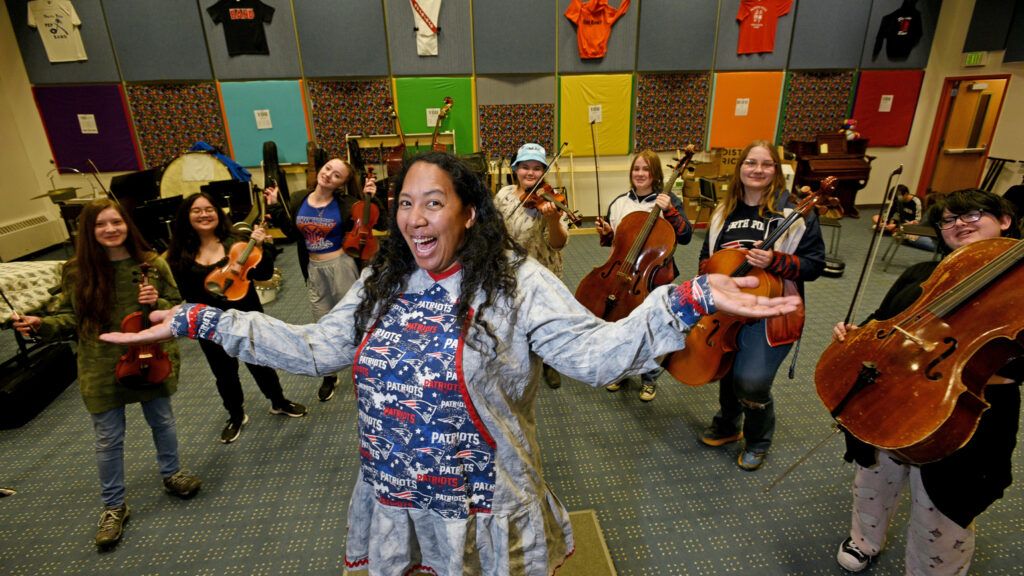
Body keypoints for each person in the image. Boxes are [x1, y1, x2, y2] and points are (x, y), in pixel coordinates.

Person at [101, 152, 800, 576]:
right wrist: (201, 317)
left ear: (468, 212)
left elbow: (595, 353)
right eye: (405, 203)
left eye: (433, 202)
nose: (415, 218)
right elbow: (316, 349)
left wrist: (688, 296)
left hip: (484, 502)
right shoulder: (382, 280)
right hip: (397, 496)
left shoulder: (519, 281)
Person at [831, 189, 1021, 575]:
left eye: (972, 215)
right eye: (948, 221)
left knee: (942, 506)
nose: (958, 225)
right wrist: (858, 334)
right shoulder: (923, 274)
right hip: (891, 388)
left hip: (968, 405)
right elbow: (882, 318)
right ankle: (865, 539)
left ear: (1004, 220)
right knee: (874, 475)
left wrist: (975, 366)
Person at [12, 198, 201, 550]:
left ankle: (172, 473)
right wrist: (41, 325)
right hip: (99, 361)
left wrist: (156, 302)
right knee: (107, 438)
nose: (111, 229)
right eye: (101, 225)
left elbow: (178, 307)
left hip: (150, 355)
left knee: (163, 421)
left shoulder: (152, 263)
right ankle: (114, 506)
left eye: (117, 222)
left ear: (127, 224)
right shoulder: (76, 270)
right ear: (89, 231)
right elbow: (69, 318)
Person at [698, 140, 825, 471]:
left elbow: (814, 265)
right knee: (725, 364)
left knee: (752, 380)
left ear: (776, 171)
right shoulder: (722, 213)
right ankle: (728, 424)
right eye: (750, 163)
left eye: (766, 164)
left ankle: (758, 438)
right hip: (727, 308)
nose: (757, 170)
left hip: (773, 311)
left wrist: (776, 261)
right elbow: (706, 259)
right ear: (740, 168)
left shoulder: (794, 215)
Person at [166, 192, 307, 444]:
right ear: (187, 217)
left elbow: (263, 274)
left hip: (247, 316)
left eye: (209, 208)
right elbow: (187, 294)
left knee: (260, 362)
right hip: (211, 324)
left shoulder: (238, 242)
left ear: (218, 213)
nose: (204, 214)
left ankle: (278, 401)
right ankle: (235, 414)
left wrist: (262, 246)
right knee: (224, 372)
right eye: (196, 210)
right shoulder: (180, 254)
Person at [265, 158, 383, 402]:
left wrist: (373, 196)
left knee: (355, 319)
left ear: (341, 183)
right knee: (322, 323)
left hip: (341, 266)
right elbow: (290, 232)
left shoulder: (346, 204)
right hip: (313, 267)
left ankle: (366, 369)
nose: (329, 175)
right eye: (328, 168)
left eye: (337, 175)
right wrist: (276, 206)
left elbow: (377, 221)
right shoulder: (298, 199)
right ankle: (329, 375)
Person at [594, 149, 693, 401]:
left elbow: (685, 236)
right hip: (623, 273)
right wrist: (606, 233)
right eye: (636, 169)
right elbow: (615, 244)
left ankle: (649, 378)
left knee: (651, 328)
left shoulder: (667, 200)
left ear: (655, 174)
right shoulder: (619, 202)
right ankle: (622, 371)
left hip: (653, 277)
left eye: (646, 169)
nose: (640, 174)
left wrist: (670, 210)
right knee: (620, 323)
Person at [494, 143, 570, 388]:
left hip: (543, 270)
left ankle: (549, 362)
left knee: (545, 319)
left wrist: (552, 219)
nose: (530, 173)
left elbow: (558, 244)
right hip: (510, 269)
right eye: (525, 167)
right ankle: (518, 359)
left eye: (537, 168)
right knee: (513, 316)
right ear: (516, 169)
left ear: (543, 172)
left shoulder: (552, 200)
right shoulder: (504, 195)